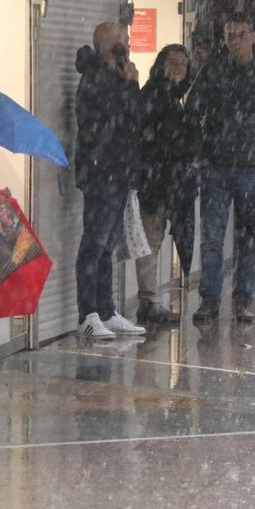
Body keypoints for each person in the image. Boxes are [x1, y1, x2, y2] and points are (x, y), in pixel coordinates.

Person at [191, 12, 255, 323]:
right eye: (229, 35)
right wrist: (201, 150)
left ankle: (244, 296)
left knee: (249, 237)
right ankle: (210, 297)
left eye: (240, 34)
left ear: (253, 36)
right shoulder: (213, 73)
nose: (234, 41)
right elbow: (193, 111)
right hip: (218, 167)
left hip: (253, 168)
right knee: (212, 237)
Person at [73, 21, 146, 339]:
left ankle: (106, 308)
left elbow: (139, 119)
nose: (126, 46)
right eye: (120, 41)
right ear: (106, 46)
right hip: (101, 172)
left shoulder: (117, 78)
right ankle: (87, 312)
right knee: (94, 243)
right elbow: (117, 117)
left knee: (108, 246)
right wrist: (129, 86)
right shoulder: (95, 79)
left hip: (119, 172)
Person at [131, 44, 199, 322]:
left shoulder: (172, 97)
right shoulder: (156, 95)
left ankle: (150, 300)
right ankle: (148, 301)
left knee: (154, 239)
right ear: (160, 64)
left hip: (165, 182)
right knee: (151, 239)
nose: (177, 69)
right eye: (172, 62)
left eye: (183, 64)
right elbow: (158, 138)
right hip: (155, 182)